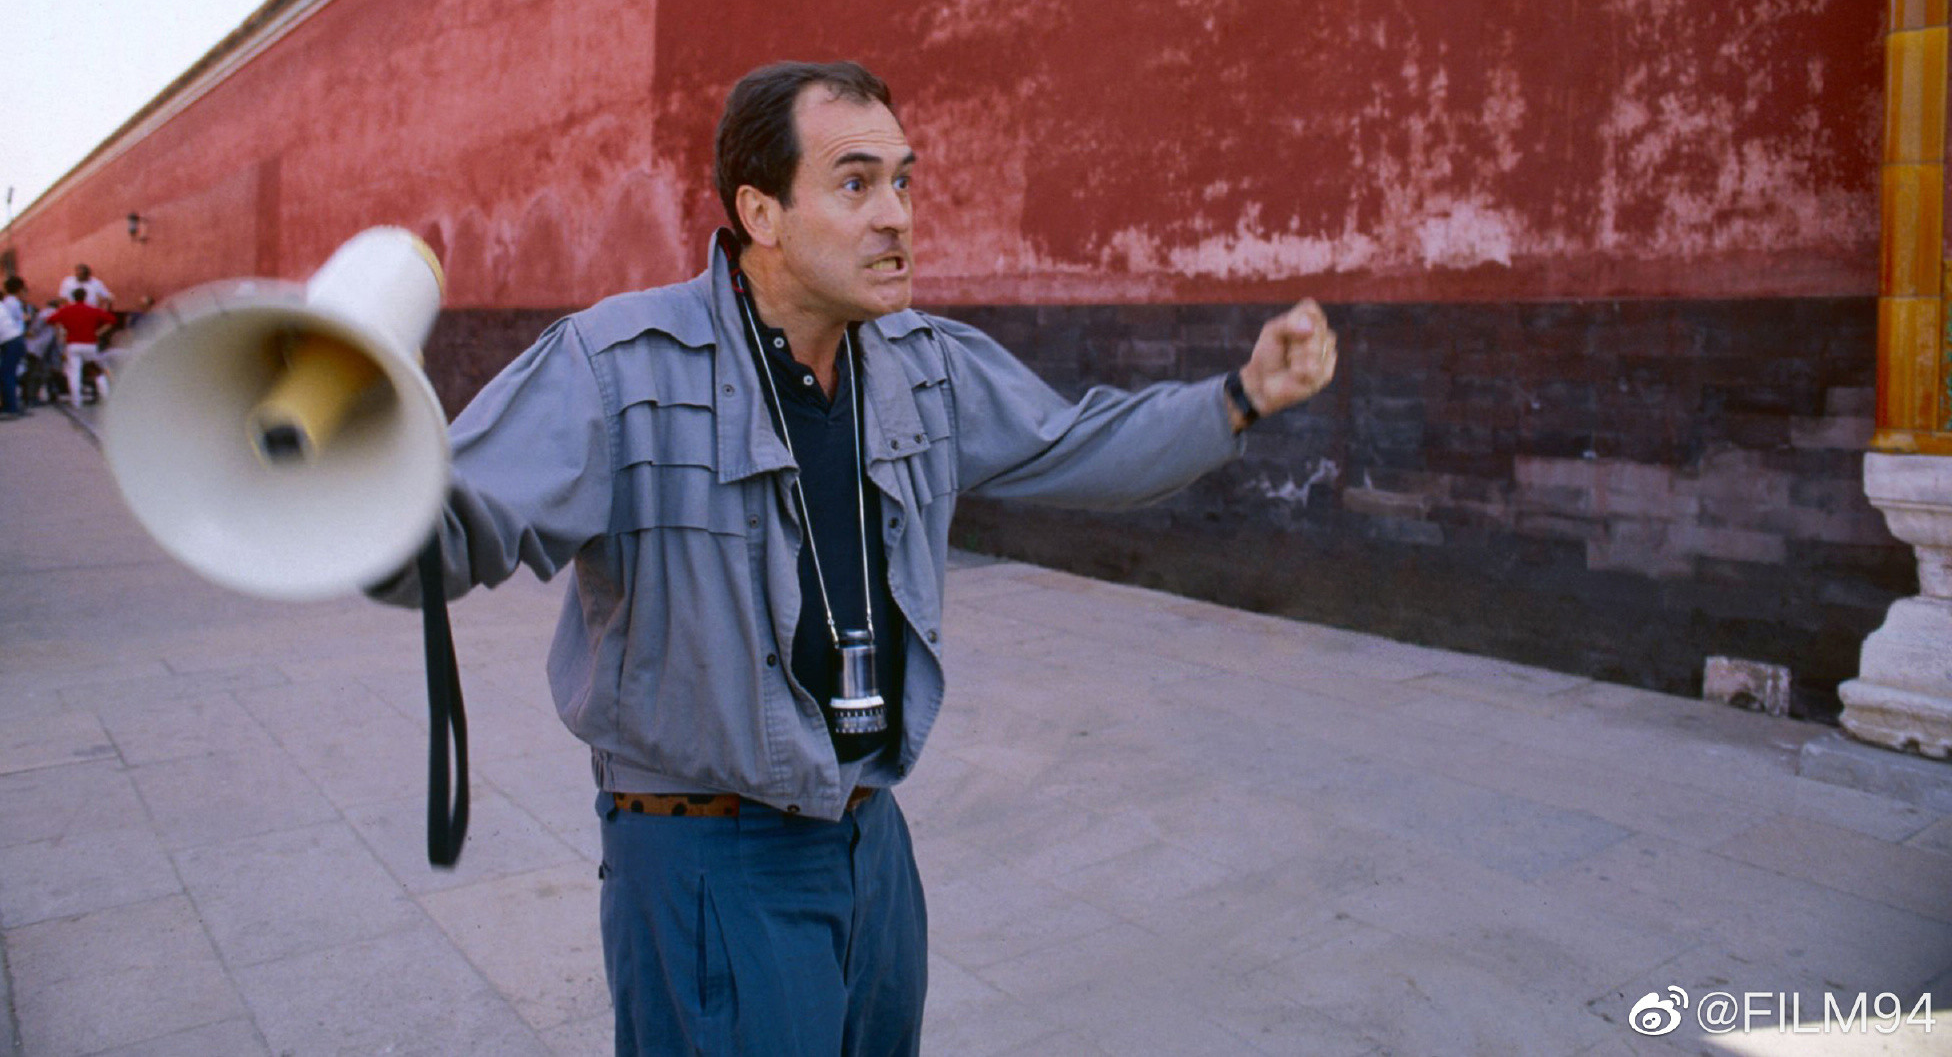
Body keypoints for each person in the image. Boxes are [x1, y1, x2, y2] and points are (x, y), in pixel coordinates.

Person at [374, 61, 1337, 1055]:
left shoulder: (924, 365)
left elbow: (1075, 442)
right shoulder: (617, 368)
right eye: (854, 183)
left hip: (870, 838)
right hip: (710, 854)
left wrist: (1239, 398)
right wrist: (339, 487)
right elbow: (442, 533)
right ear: (762, 211)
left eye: (903, 181)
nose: (897, 217)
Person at [46, 288, 118, 407]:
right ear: (85, 296)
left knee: (74, 372)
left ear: (73, 297)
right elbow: (112, 320)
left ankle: (76, 401)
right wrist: (98, 332)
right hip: (90, 344)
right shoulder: (92, 310)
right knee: (97, 371)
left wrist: (61, 332)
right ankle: (106, 397)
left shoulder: (66, 310)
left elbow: (50, 320)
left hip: (73, 344)